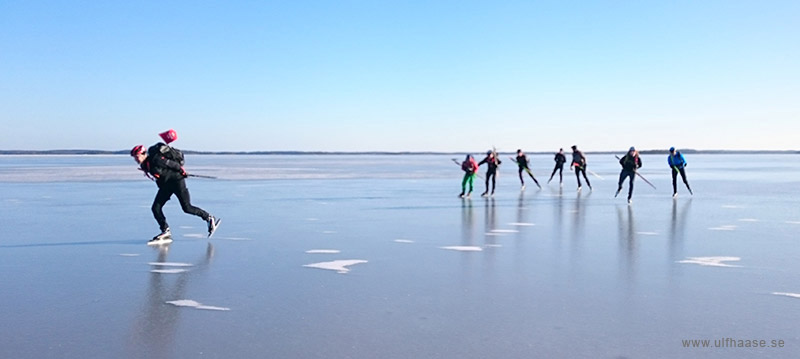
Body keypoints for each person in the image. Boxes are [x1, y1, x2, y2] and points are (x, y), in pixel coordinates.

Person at [131, 143, 221, 244]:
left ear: (143, 154)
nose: (136, 159)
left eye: (137, 156)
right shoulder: (146, 165)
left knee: (187, 208)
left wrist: (182, 172)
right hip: (166, 186)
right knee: (155, 208)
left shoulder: (155, 159)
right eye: (135, 158)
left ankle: (209, 218)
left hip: (177, 182)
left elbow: (173, 165)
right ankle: (165, 231)